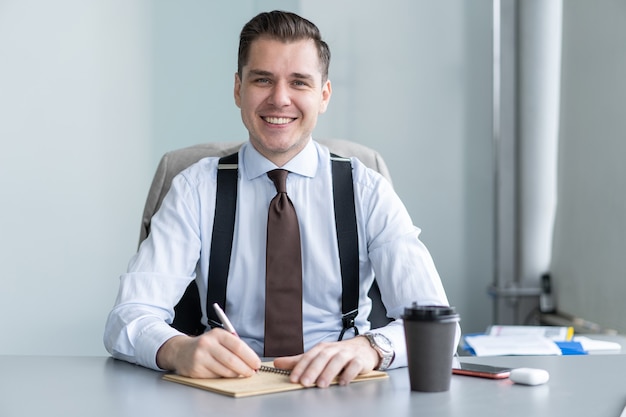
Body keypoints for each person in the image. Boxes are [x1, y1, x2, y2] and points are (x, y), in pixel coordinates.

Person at [104, 10, 457, 388]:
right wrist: (177, 349)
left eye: (299, 83)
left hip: (344, 389)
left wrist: (369, 348)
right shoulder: (195, 189)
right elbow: (126, 318)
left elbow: (438, 325)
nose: (280, 99)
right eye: (262, 80)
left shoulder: (365, 188)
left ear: (323, 95)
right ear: (238, 89)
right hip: (226, 393)